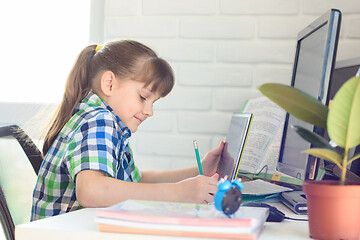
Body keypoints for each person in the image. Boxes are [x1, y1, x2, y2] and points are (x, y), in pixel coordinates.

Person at [31, 39, 225, 221]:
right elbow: (91, 191)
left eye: (153, 102)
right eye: (143, 97)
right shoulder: (99, 121)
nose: (149, 111)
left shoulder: (108, 124)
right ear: (109, 84)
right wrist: (179, 193)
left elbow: (137, 182)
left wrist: (200, 171)